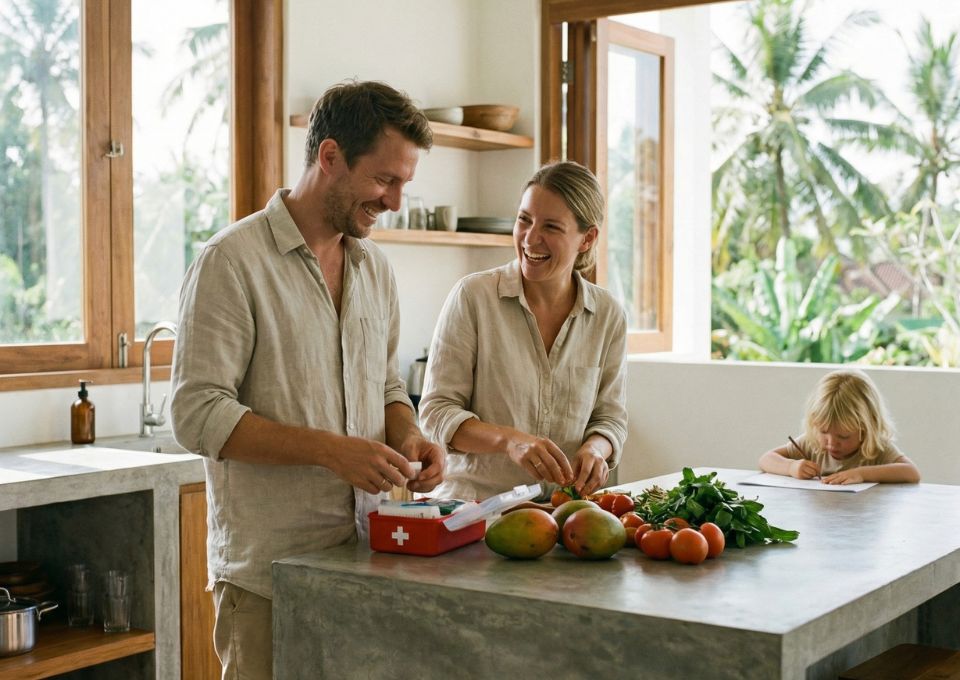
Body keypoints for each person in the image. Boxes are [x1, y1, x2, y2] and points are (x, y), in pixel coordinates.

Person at [170, 80, 445, 680]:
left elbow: (388, 389)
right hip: (269, 581)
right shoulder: (231, 262)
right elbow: (196, 413)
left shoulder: (375, 269)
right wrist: (331, 453)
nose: (395, 201)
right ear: (329, 157)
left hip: (367, 565)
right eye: (384, 180)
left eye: (404, 184)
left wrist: (411, 435)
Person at [419, 160, 628, 501]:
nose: (531, 238)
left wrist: (596, 449)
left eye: (551, 227)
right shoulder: (473, 297)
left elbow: (610, 418)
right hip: (475, 512)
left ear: (587, 238)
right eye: (524, 220)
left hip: (565, 517)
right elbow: (436, 412)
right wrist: (510, 440)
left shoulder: (607, 315)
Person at [758, 369, 920, 484]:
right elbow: (766, 459)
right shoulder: (811, 443)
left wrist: (861, 474)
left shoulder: (875, 449)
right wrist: (791, 467)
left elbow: (911, 473)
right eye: (823, 432)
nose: (831, 443)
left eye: (843, 436)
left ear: (865, 428)